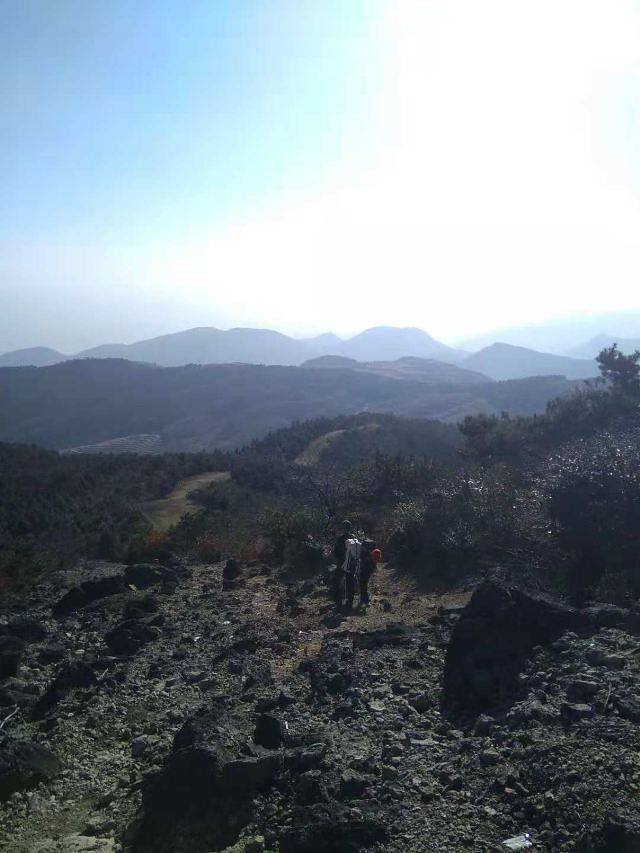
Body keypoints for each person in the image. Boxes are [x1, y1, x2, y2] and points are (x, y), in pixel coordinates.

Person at [332, 520, 353, 607]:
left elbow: (336, 552)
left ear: (343, 528)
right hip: (351, 564)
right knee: (350, 582)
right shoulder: (354, 538)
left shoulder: (340, 539)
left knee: (336, 582)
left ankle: (338, 603)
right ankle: (350, 603)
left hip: (342, 563)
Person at [359, 541, 382, 606]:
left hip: (364, 571)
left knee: (363, 585)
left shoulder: (369, 558)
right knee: (364, 585)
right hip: (365, 571)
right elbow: (373, 566)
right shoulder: (372, 557)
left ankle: (364, 599)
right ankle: (364, 599)